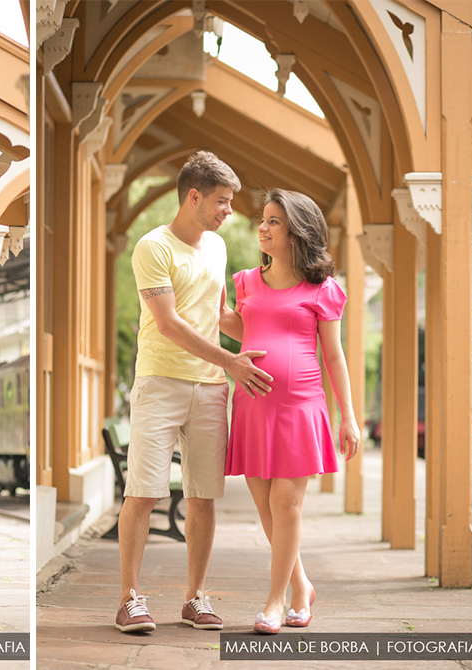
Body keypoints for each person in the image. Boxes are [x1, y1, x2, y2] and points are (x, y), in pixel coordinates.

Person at [116, 151, 273, 633]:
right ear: (194, 196)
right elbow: (168, 323)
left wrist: (275, 332)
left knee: (203, 496)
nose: (229, 211)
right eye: (222, 202)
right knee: (144, 492)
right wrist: (231, 362)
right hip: (160, 382)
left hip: (210, 389)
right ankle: (129, 599)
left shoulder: (217, 249)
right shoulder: (153, 247)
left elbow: (220, 316)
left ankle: (195, 598)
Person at [225, 188, 361, 634]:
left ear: (297, 231)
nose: (262, 227)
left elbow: (334, 357)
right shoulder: (245, 281)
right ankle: (302, 585)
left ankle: (276, 600)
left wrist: (349, 416)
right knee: (266, 506)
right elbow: (239, 327)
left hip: (301, 406)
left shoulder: (323, 289)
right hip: (253, 405)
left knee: (287, 502)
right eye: (263, 219)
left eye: (274, 221)